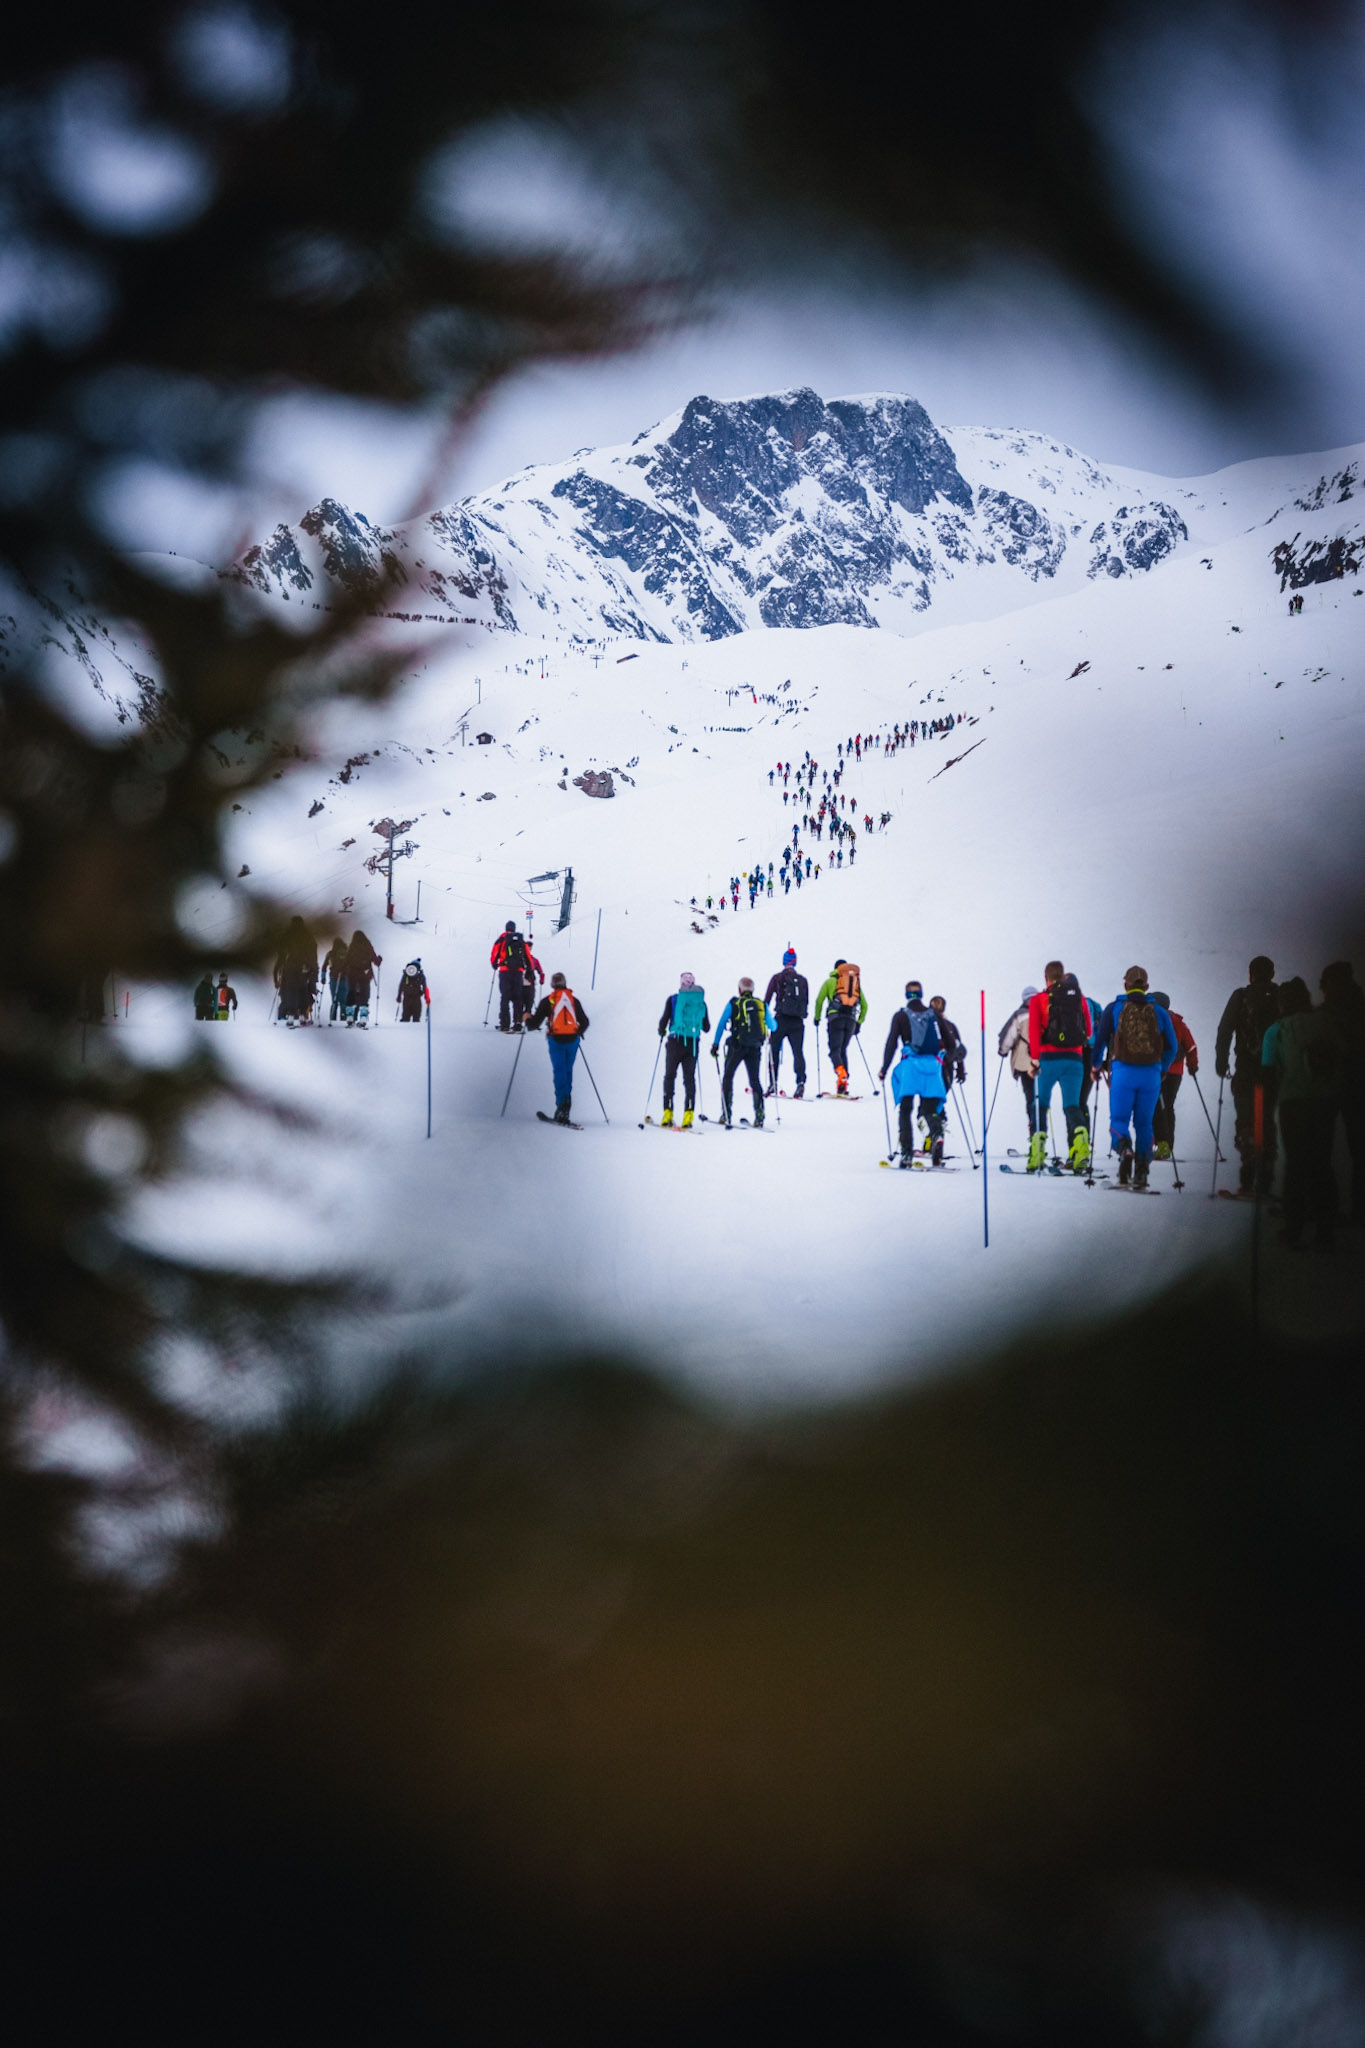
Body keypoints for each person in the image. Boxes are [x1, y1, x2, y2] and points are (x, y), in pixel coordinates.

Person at [1261, 977, 1341, 1249]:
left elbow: (1268, 1072)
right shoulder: (1326, 1022)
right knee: (1321, 1163)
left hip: (1293, 1102)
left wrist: (1266, 1109)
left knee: (1296, 1163)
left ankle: (1293, 1229)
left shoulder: (1276, 1030)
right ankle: (1325, 1231)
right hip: (1325, 1101)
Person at [1092, 967, 1178, 1188]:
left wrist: (1095, 1066)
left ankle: (1124, 1149)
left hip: (1122, 1072)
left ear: (1125, 986)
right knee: (1144, 1123)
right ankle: (1141, 1169)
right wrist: (1163, 1067)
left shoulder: (1114, 1008)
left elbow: (1100, 1039)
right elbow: (1173, 1045)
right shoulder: (1159, 1011)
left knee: (1119, 1120)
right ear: (1147, 986)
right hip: (1151, 1074)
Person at [1215, 956, 1280, 1197]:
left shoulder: (1241, 996)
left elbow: (1225, 1029)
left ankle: (1247, 1176)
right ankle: (1267, 1177)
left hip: (1245, 1069)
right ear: (1272, 973)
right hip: (1272, 1071)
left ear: (1250, 973)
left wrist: (1221, 1061)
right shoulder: (1279, 996)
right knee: (1266, 1120)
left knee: (1246, 1120)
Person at [1025, 964, 1095, 1172]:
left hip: (1047, 1059)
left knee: (1041, 1105)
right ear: (1063, 976)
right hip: (1074, 1060)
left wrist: (1035, 1060)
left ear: (1045, 977)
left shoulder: (1038, 1000)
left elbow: (1034, 1032)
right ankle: (1081, 1147)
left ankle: (1037, 1153)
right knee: (1072, 1106)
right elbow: (1089, 1031)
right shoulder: (1079, 999)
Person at [879, 982, 947, 1166]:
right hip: (932, 1067)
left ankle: (907, 1154)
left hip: (910, 1067)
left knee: (906, 1110)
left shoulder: (901, 1016)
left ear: (907, 995)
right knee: (930, 1110)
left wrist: (884, 1069)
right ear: (922, 994)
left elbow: (892, 1043)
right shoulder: (933, 1015)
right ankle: (937, 1135)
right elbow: (948, 1040)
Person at [1319, 961, 1365, 1223]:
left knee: (1328, 1149)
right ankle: (1351, 1210)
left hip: (1344, 1086)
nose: (1324, 989)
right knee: (1355, 1151)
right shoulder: (1356, 1009)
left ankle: (1331, 1209)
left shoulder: (1334, 1013)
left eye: (1326, 984)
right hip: (1349, 1086)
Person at [525, 971, 589, 1123]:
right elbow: (585, 1021)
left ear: (552, 985)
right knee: (567, 1072)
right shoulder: (573, 1000)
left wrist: (526, 1017)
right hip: (573, 1040)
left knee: (559, 1072)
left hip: (557, 1040)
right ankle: (566, 1107)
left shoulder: (549, 1001)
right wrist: (578, 1032)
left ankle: (562, 1108)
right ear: (565, 983)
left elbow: (533, 1025)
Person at [710, 977, 770, 1127]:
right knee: (755, 1080)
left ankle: (726, 1114)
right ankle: (759, 1115)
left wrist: (715, 1044)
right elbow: (773, 1026)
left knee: (728, 1077)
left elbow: (722, 1023)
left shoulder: (734, 1003)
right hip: (755, 1047)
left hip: (736, 1046)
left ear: (739, 989)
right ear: (753, 990)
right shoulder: (761, 1005)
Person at [1148, 992, 1198, 1158]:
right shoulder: (1178, 1022)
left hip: (1157, 1070)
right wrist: (1192, 1065)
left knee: (1156, 1106)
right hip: (1176, 1072)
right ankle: (1168, 1144)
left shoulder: (1152, 1020)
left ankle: (1160, 1144)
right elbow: (1190, 1046)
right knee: (1168, 1105)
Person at [657, 971, 709, 1127]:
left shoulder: (673, 999)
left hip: (675, 1042)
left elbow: (664, 1021)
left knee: (670, 1076)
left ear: (681, 984)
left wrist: (662, 1031)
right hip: (692, 1044)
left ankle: (667, 1113)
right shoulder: (701, 1003)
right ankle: (688, 1115)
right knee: (689, 1079)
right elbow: (706, 1027)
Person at [813, 957, 867, 1096]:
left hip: (835, 1019)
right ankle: (843, 1085)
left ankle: (841, 1073)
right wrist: (859, 1023)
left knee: (834, 1051)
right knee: (843, 1050)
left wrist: (817, 1018)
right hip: (851, 1020)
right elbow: (865, 1005)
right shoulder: (855, 984)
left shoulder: (830, 981)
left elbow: (819, 1000)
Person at [764, 948, 809, 1097]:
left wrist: (766, 1020)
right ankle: (800, 1082)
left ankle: (773, 1083)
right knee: (798, 1052)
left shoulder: (777, 978)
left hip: (781, 1020)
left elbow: (766, 1001)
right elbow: (806, 1001)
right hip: (797, 1022)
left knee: (774, 1050)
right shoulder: (802, 980)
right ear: (795, 962)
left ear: (783, 962)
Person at [997, 987, 1039, 1141]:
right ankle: (1040, 1131)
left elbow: (1008, 1036)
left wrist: (1002, 1051)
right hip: (1044, 1060)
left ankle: (1034, 1132)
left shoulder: (1020, 1015)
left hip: (1024, 1062)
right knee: (1041, 1097)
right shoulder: (1046, 1012)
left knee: (1030, 1097)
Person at [274, 915, 318, 1024]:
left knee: (290, 990)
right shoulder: (308, 935)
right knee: (303, 989)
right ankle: (303, 1014)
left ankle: (290, 1014)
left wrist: (280, 965)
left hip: (290, 966)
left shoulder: (287, 934)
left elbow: (281, 952)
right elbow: (313, 953)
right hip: (304, 967)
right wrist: (313, 968)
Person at [490, 921, 533, 1032]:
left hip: (505, 971)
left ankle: (505, 1024)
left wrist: (494, 964)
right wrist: (529, 971)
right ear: (514, 929)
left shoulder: (501, 939)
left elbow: (494, 955)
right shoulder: (520, 941)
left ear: (506, 928)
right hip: (518, 972)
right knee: (517, 997)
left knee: (505, 997)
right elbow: (528, 957)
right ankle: (517, 1022)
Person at [342, 929, 381, 1027]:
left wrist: (342, 970)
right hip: (365, 975)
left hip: (352, 975)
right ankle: (363, 1017)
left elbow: (346, 961)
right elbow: (376, 962)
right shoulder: (368, 947)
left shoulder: (352, 946)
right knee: (364, 995)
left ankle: (350, 1017)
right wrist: (379, 959)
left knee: (351, 993)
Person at [929, 997, 967, 1086]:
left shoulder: (924, 1025)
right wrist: (960, 1070)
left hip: (928, 1065)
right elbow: (957, 1047)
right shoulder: (950, 1026)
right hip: (946, 1066)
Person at [323, 935, 349, 1023]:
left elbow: (324, 966)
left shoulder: (330, 954)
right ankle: (343, 1017)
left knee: (334, 999)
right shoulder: (347, 953)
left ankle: (333, 1018)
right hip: (345, 979)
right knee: (343, 1000)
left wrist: (323, 978)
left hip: (333, 979)